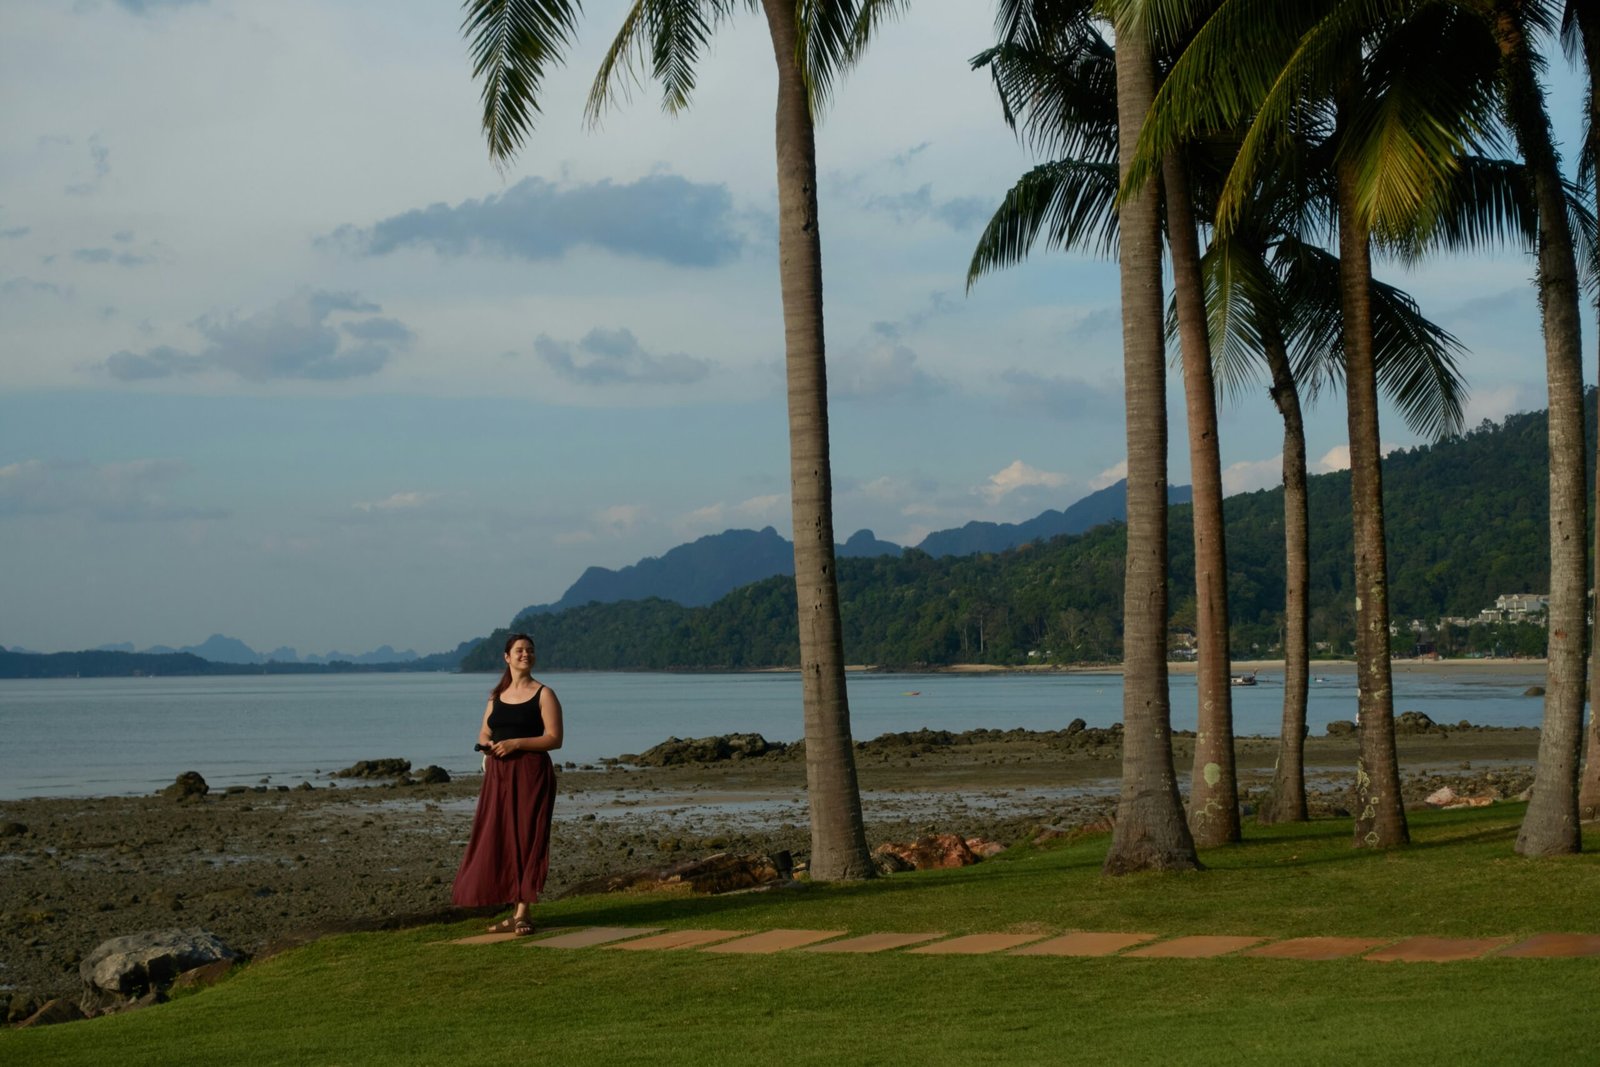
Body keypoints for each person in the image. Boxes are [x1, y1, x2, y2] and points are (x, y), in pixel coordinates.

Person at [451, 632, 563, 935]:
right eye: (519, 651)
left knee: (529, 838)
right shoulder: (496, 696)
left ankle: (523, 913)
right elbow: (484, 733)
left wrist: (516, 744)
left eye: (530, 650)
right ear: (507, 657)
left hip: (532, 774)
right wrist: (489, 749)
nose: (525, 654)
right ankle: (512, 911)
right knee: (500, 837)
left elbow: (555, 739)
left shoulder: (545, 694)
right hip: (499, 776)